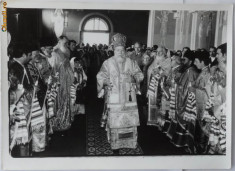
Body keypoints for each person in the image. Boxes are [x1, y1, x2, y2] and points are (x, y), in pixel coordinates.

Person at [97, 33, 144, 154]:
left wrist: (134, 79)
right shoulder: (107, 63)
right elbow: (100, 76)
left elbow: (140, 75)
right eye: (117, 50)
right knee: (115, 122)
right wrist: (106, 81)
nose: (120, 52)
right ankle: (115, 145)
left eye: (122, 50)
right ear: (114, 50)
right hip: (114, 97)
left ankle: (129, 143)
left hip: (129, 98)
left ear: (125, 50)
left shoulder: (131, 62)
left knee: (129, 121)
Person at [168, 50, 199, 153]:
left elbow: (190, 89)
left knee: (185, 120)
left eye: (185, 59)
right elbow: (180, 82)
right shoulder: (185, 69)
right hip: (180, 98)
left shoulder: (192, 71)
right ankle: (180, 141)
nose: (183, 61)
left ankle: (185, 142)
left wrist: (179, 86)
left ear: (190, 61)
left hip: (186, 101)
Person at [50, 36, 74, 133]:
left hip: (66, 82)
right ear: (59, 42)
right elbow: (52, 70)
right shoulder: (54, 54)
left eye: (67, 43)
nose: (67, 45)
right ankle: (56, 123)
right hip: (58, 83)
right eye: (65, 43)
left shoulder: (65, 53)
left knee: (65, 100)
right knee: (57, 102)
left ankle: (64, 121)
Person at [193, 51, 211, 154]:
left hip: (203, 107)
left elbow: (206, 92)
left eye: (196, 61)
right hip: (199, 105)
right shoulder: (203, 72)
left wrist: (194, 88)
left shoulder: (206, 73)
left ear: (202, 62)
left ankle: (201, 152)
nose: (194, 63)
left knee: (202, 131)